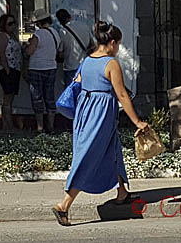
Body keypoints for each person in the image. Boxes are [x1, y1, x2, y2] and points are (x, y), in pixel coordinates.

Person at [52, 21, 148, 226]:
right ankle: (64, 206)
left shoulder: (87, 60)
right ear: (112, 43)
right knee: (89, 157)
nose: (119, 48)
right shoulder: (111, 64)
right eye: (119, 44)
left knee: (113, 151)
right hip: (100, 115)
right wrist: (137, 121)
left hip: (85, 113)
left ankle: (122, 192)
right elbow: (122, 95)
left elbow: (79, 84)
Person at [25, 12, 63, 134]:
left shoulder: (38, 34)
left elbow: (30, 51)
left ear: (39, 23)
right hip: (51, 67)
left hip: (36, 68)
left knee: (37, 98)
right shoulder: (55, 33)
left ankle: (40, 126)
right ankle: (50, 126)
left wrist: (27, 46)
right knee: (49, 97)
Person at [0, 14, 24, 131]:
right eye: (9, 24)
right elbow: (1, 54)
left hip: (15, 69)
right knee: (7, 99)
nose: (12, 26)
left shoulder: (13, 36)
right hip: (7, 70)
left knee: (10, 98)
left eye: (14, 23)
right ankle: (8, 125)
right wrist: (7, 70)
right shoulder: (2, 36)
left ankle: (7, 124)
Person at [56, 9, 87, 88]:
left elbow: (60, 52)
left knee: (71, 93)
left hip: (70, 66)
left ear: (59, 21)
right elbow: (91, 44)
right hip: (85, 65)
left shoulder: (63, 31)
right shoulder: (84, 26)